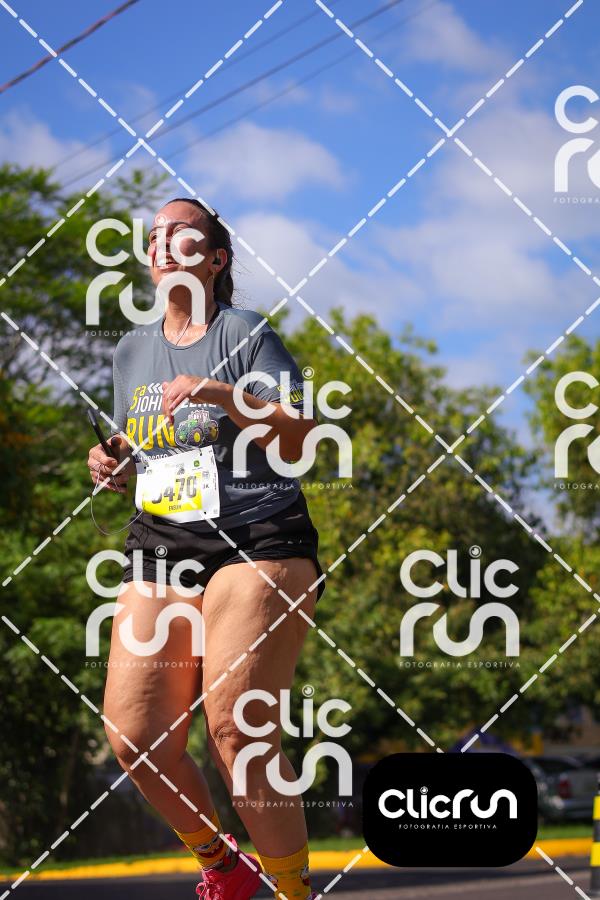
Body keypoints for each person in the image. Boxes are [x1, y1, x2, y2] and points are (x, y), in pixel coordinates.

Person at [87, 197, 324, 900]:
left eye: (182, 234)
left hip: (256, 537)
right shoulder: (131, 350)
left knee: (236, 730)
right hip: (163, 542)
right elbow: (147, 444)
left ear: (216, 259)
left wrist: (221, 394)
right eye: (155, 235)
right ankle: (223, 866)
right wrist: (114, 461)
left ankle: (293, 892)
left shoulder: (245, 333)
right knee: (134, 736)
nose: (163, 243)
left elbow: (301, 437)